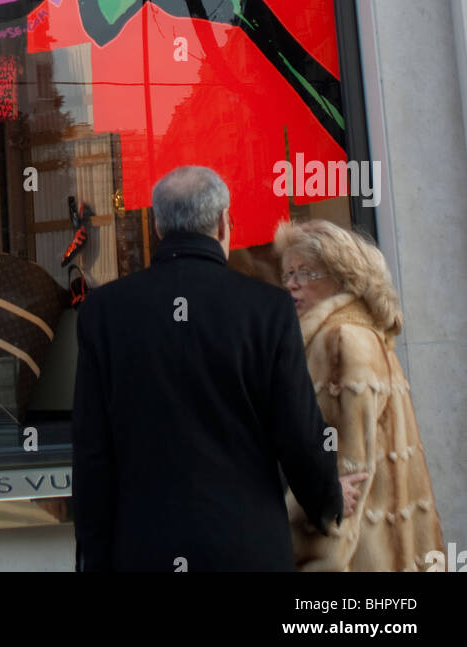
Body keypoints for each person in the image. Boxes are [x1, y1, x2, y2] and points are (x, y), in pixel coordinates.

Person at [72, 166, 365, 572]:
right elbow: (298, 432)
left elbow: (91, 451)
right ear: (225, 223)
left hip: (142, 550)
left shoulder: (103, 312)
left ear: (158, 226)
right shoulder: (268, 310)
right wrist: (327, 499)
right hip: (247, 550)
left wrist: (94, 555)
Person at [274, 219, 445, 572]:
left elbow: (343, 482)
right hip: (386, 551)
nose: (291, 284)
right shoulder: (362, 334)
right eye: (288, 274)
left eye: (305, 273)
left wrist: (309, 561)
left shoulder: (339, 342)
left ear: (342, 277)